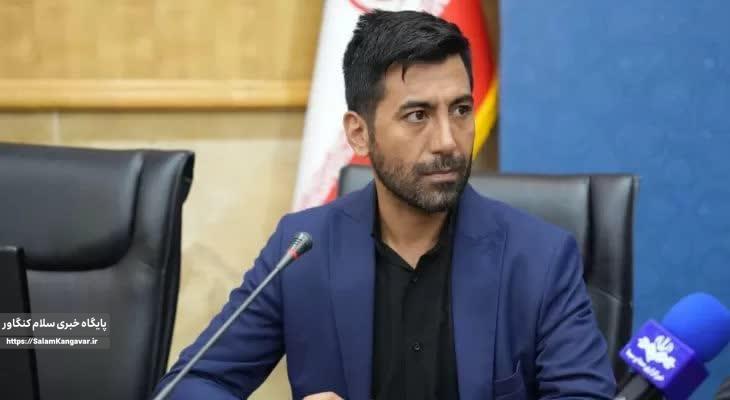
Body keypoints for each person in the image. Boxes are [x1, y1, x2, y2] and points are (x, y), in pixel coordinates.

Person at [155, 10, 615, 400]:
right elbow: (193, 383)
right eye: (418, 115)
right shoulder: (302, 249)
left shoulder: (540, 258)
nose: (448, 141)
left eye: (460, 110)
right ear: (359, 133)